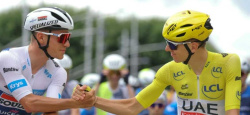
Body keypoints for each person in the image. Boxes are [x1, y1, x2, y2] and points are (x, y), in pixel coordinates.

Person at [73, 10, 241, 115]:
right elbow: (133, 107)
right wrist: (94, 100)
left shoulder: (229, 63)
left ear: (193, 46)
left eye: (172, 44)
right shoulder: (169, 70)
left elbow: (232, 112)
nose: (167, 49)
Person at [0, 7, 95, 115]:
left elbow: (51, 111)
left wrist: (79, 101)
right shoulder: (9, 58)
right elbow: (29, 103)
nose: (67, 44)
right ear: (41, 37)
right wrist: (76, 103)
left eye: (68, 37)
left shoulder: (58, 72)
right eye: (63, 38)